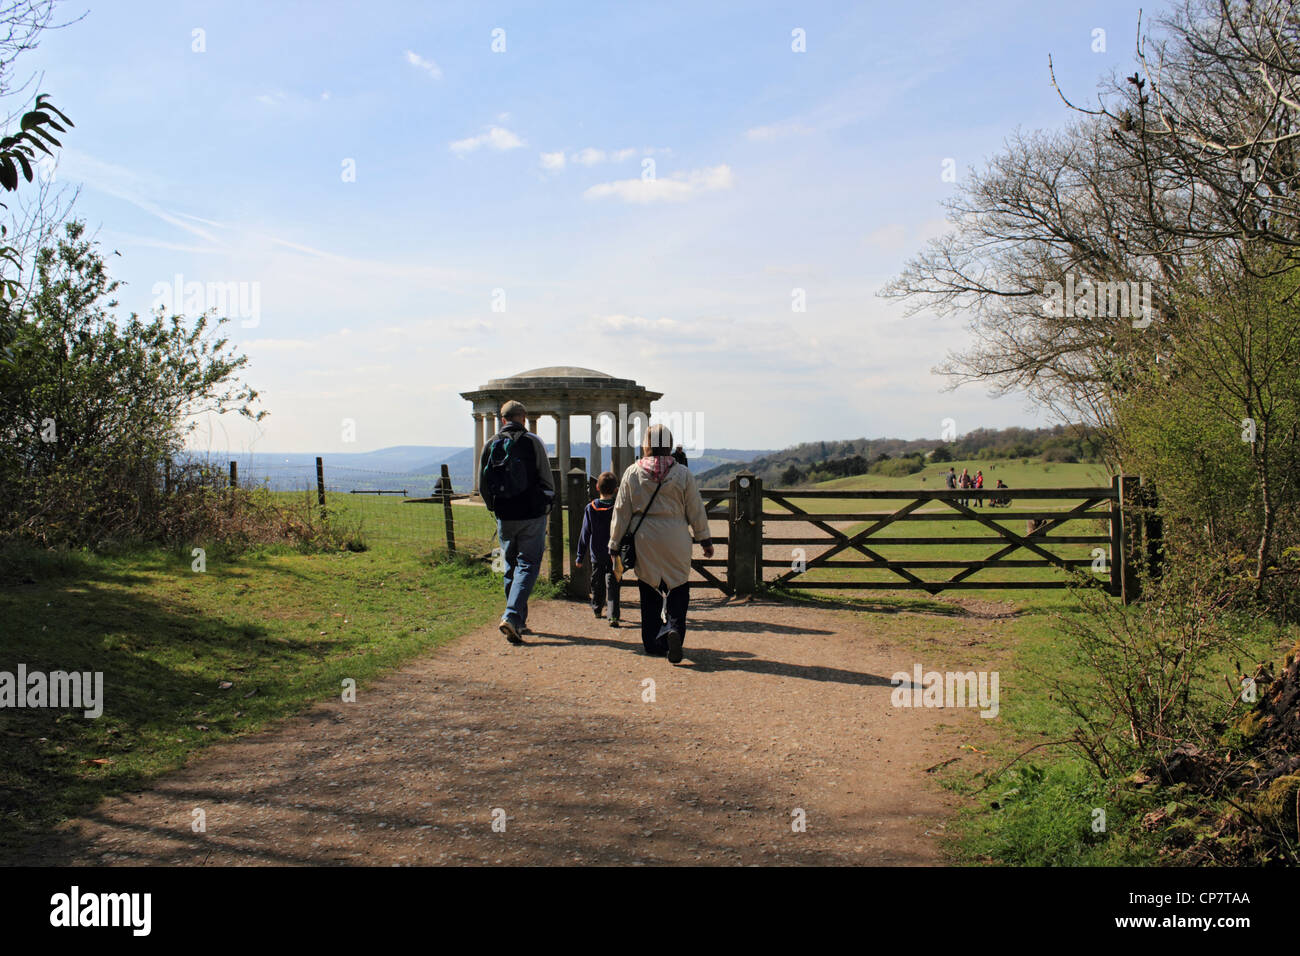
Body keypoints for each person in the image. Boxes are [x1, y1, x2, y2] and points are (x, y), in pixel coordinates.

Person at [609, 424, 713, 664]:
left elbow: (621, 511)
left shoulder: (632, 472)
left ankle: (654, 640)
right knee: (678, 586)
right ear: (668, 443)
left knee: (649, 589)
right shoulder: (682, 473)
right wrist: (704, 539)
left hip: (645, 537)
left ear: (646, 443)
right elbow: (695, 508)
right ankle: (674, 628)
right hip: (676, 533)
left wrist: (614, 543)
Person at [479, 400, 554, 645]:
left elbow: (482, 483)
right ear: (524, 417)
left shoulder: (490, 443)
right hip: (532, 513)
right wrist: (547, 505)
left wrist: (494, 507)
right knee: (528, 565)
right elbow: (546, 477)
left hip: (505, 514)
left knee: (510, 566)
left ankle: (518, 622)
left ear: (502, 419)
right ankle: (512, 615)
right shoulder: (532, 442)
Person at [575, 470, 621, 627]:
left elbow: (585, 533)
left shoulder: (590, 508)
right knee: (614, 582)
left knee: (597, 582)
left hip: (596, 554)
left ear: (596, 487)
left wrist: (580, 556)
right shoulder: (618, 508)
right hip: (615, 553)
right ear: (616, 490)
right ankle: (613, 615)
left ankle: (597, 608)